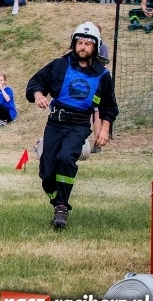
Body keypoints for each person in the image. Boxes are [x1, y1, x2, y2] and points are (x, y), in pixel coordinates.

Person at [26, 22, 118, 229]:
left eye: (87, 44)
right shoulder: (60, 64)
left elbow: (109, 107)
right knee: (48, 174)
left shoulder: (103, 75)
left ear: (95, 47)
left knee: (66, 158)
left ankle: (61, 207)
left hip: (78, 125)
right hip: (55, 123)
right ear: (74, 44)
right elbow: (35, 83)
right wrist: (39, 95)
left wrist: (104, 129)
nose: (83, 47)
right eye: (79, 43)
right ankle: (56, 200)